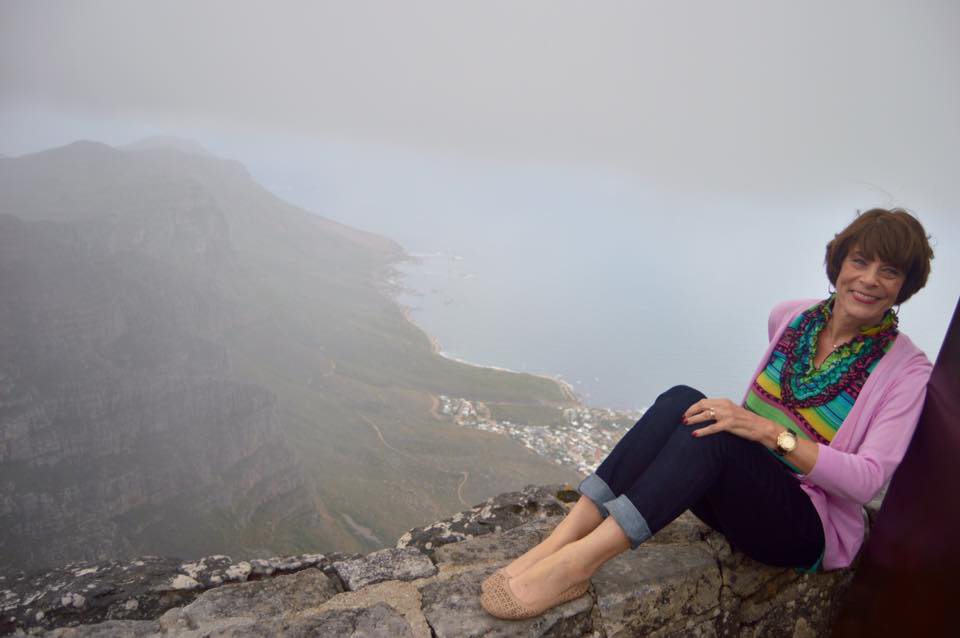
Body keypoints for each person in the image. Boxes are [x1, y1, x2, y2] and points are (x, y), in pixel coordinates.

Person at [480, 208, 935, 620]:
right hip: (735, 498)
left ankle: (577, 565)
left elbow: (868, 480)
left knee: (719, 434)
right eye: (860, 262)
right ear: (838, 265)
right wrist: (751, 432)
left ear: (904, 286)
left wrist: (770, 433)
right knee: (682, 399)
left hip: (799, 526)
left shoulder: (906, 371)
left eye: (889, 271)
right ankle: (560, 540)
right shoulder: (792, 318)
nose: (870, 279)